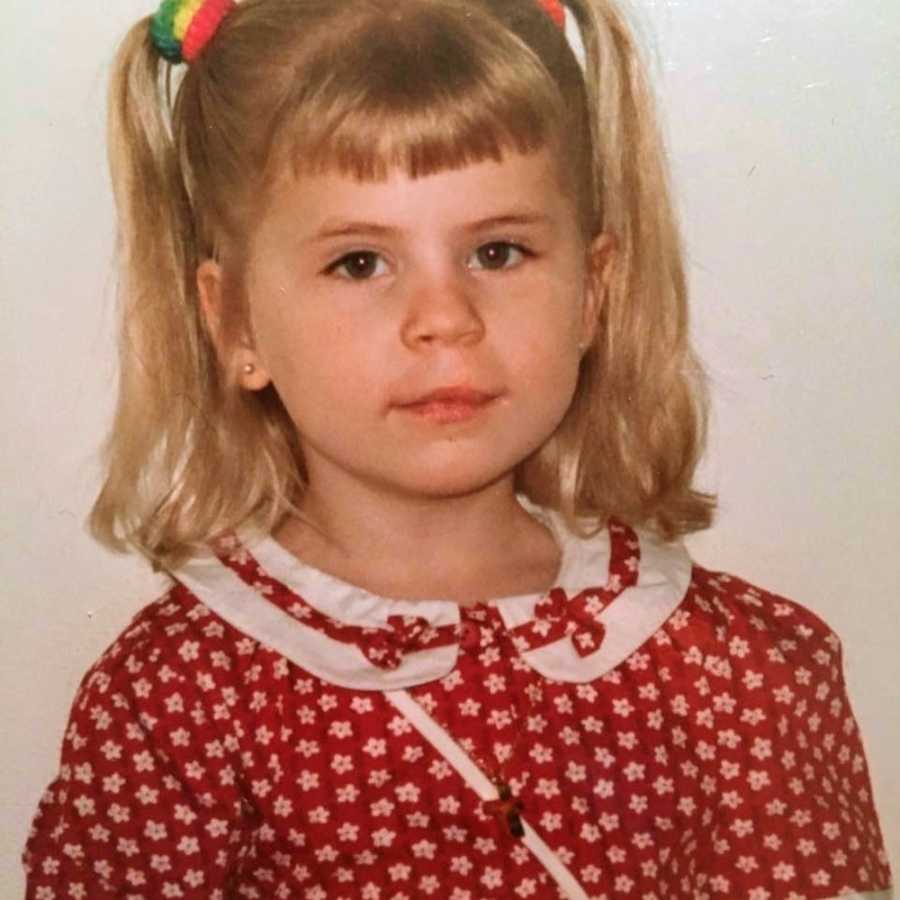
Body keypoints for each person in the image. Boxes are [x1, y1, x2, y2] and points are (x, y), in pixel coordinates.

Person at [22, 0, 892, 897]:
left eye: (499, 252)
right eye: (360, 262)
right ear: (235, 320)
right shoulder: (182, 702)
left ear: (592, 294)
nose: (445, 320)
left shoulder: (737, 676)